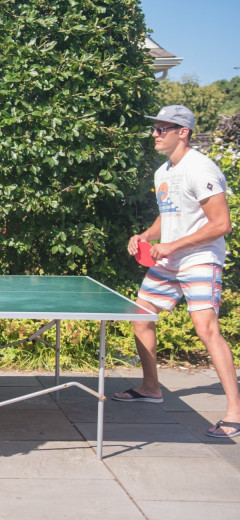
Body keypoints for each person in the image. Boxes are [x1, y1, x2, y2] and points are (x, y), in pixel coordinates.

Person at [113, 105, 240, 439]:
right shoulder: (163, 172)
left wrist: (172, 245)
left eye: (161, 129)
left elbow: (221, 224)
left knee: (206, 328)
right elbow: (167, 217)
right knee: (140, 317)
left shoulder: (201, 169)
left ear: (183, 132)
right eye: (154, 129)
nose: (154, 135)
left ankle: (234, 413)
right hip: (168, 261)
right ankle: (151, 388)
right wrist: (146, 236)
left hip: (199, 258)